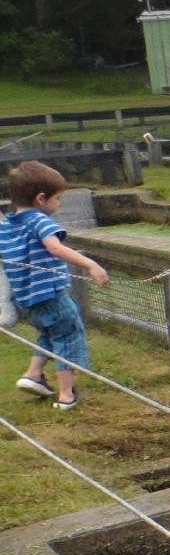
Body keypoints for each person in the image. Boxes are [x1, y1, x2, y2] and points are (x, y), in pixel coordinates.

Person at [2, 161, 107, 410]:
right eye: (58, 199)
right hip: (50, 293)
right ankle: (66, 395)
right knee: (68, 337)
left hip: (26, 297)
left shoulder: (6, 225)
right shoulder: (39, 220)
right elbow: (55, 247)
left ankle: (33, 375)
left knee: (50, 332)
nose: (59, 205)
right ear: (41, 199)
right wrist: (91, 265)